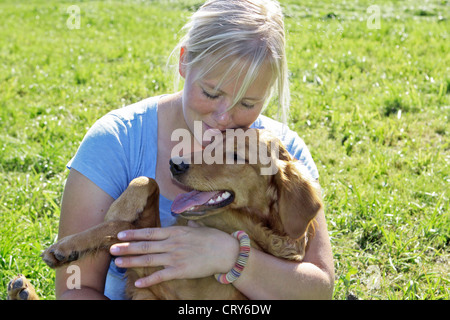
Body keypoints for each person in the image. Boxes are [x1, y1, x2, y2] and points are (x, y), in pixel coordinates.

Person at [55, 0, 334, 299]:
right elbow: (74, 286)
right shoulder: (118, 141)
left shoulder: (280, 154)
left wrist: (231, 257)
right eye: (211, 93)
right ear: (184, 61)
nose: (223, 118)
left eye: (248, 103)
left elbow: (319, 289)